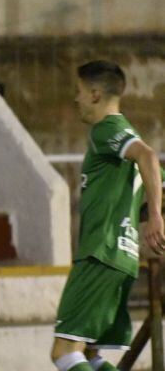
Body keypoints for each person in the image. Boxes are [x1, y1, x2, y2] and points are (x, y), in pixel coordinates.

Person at [50, 60, 165, 371]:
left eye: (79, 92)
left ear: (95, 94)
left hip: (101, 253)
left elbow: (149, 156)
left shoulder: (108, 130)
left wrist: (155, 216)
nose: (76, 99)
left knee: (64, 351)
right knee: (90, 356)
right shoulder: (128, 137)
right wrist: (147, 210)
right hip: (124, 260)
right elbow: (158, 181)